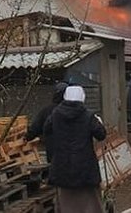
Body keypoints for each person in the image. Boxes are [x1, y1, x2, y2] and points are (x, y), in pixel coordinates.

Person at [44, 85, 107, 213]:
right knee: (91, 202)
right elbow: (101, 135)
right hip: (85, 166)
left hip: (62, 166)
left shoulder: (55, 114)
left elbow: (46, 130)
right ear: (82, 98)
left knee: (66, 203)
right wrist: (98, 123)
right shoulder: (88, 116)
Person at [26, 81, 68, 163]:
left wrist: (27, 136)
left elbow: (36, 127)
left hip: (53, 151)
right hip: (72, 152)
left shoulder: (48, 111)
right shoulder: (75, 111)